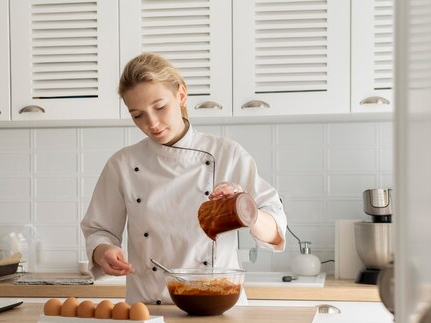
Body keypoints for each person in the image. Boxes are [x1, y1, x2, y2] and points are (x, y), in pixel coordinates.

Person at [81, 53, 286, 304]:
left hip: (218, 307)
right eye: (138, 115)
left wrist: (243, 207)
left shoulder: (226, 154)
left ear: (181, 94)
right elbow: (98, 230)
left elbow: (275, 231)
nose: (152, 123)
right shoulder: (122, 164)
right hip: (149, 310)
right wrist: (104, 252)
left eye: (159, 107)